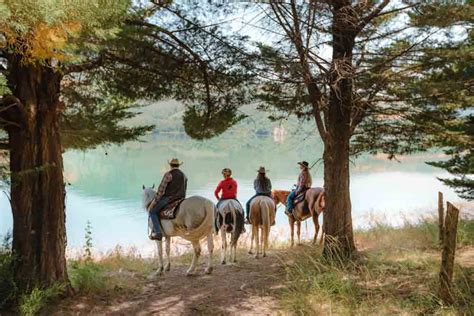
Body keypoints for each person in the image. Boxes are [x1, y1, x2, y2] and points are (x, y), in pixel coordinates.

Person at [148, 158, 188, 240]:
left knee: (152, 212)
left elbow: (161, 191)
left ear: (170, 165)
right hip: (181, 198)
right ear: (178, 165)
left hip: (169, 198)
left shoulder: (168, 174)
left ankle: (158, 233)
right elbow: (185, 189)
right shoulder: (184, 175)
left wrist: (153, 203)